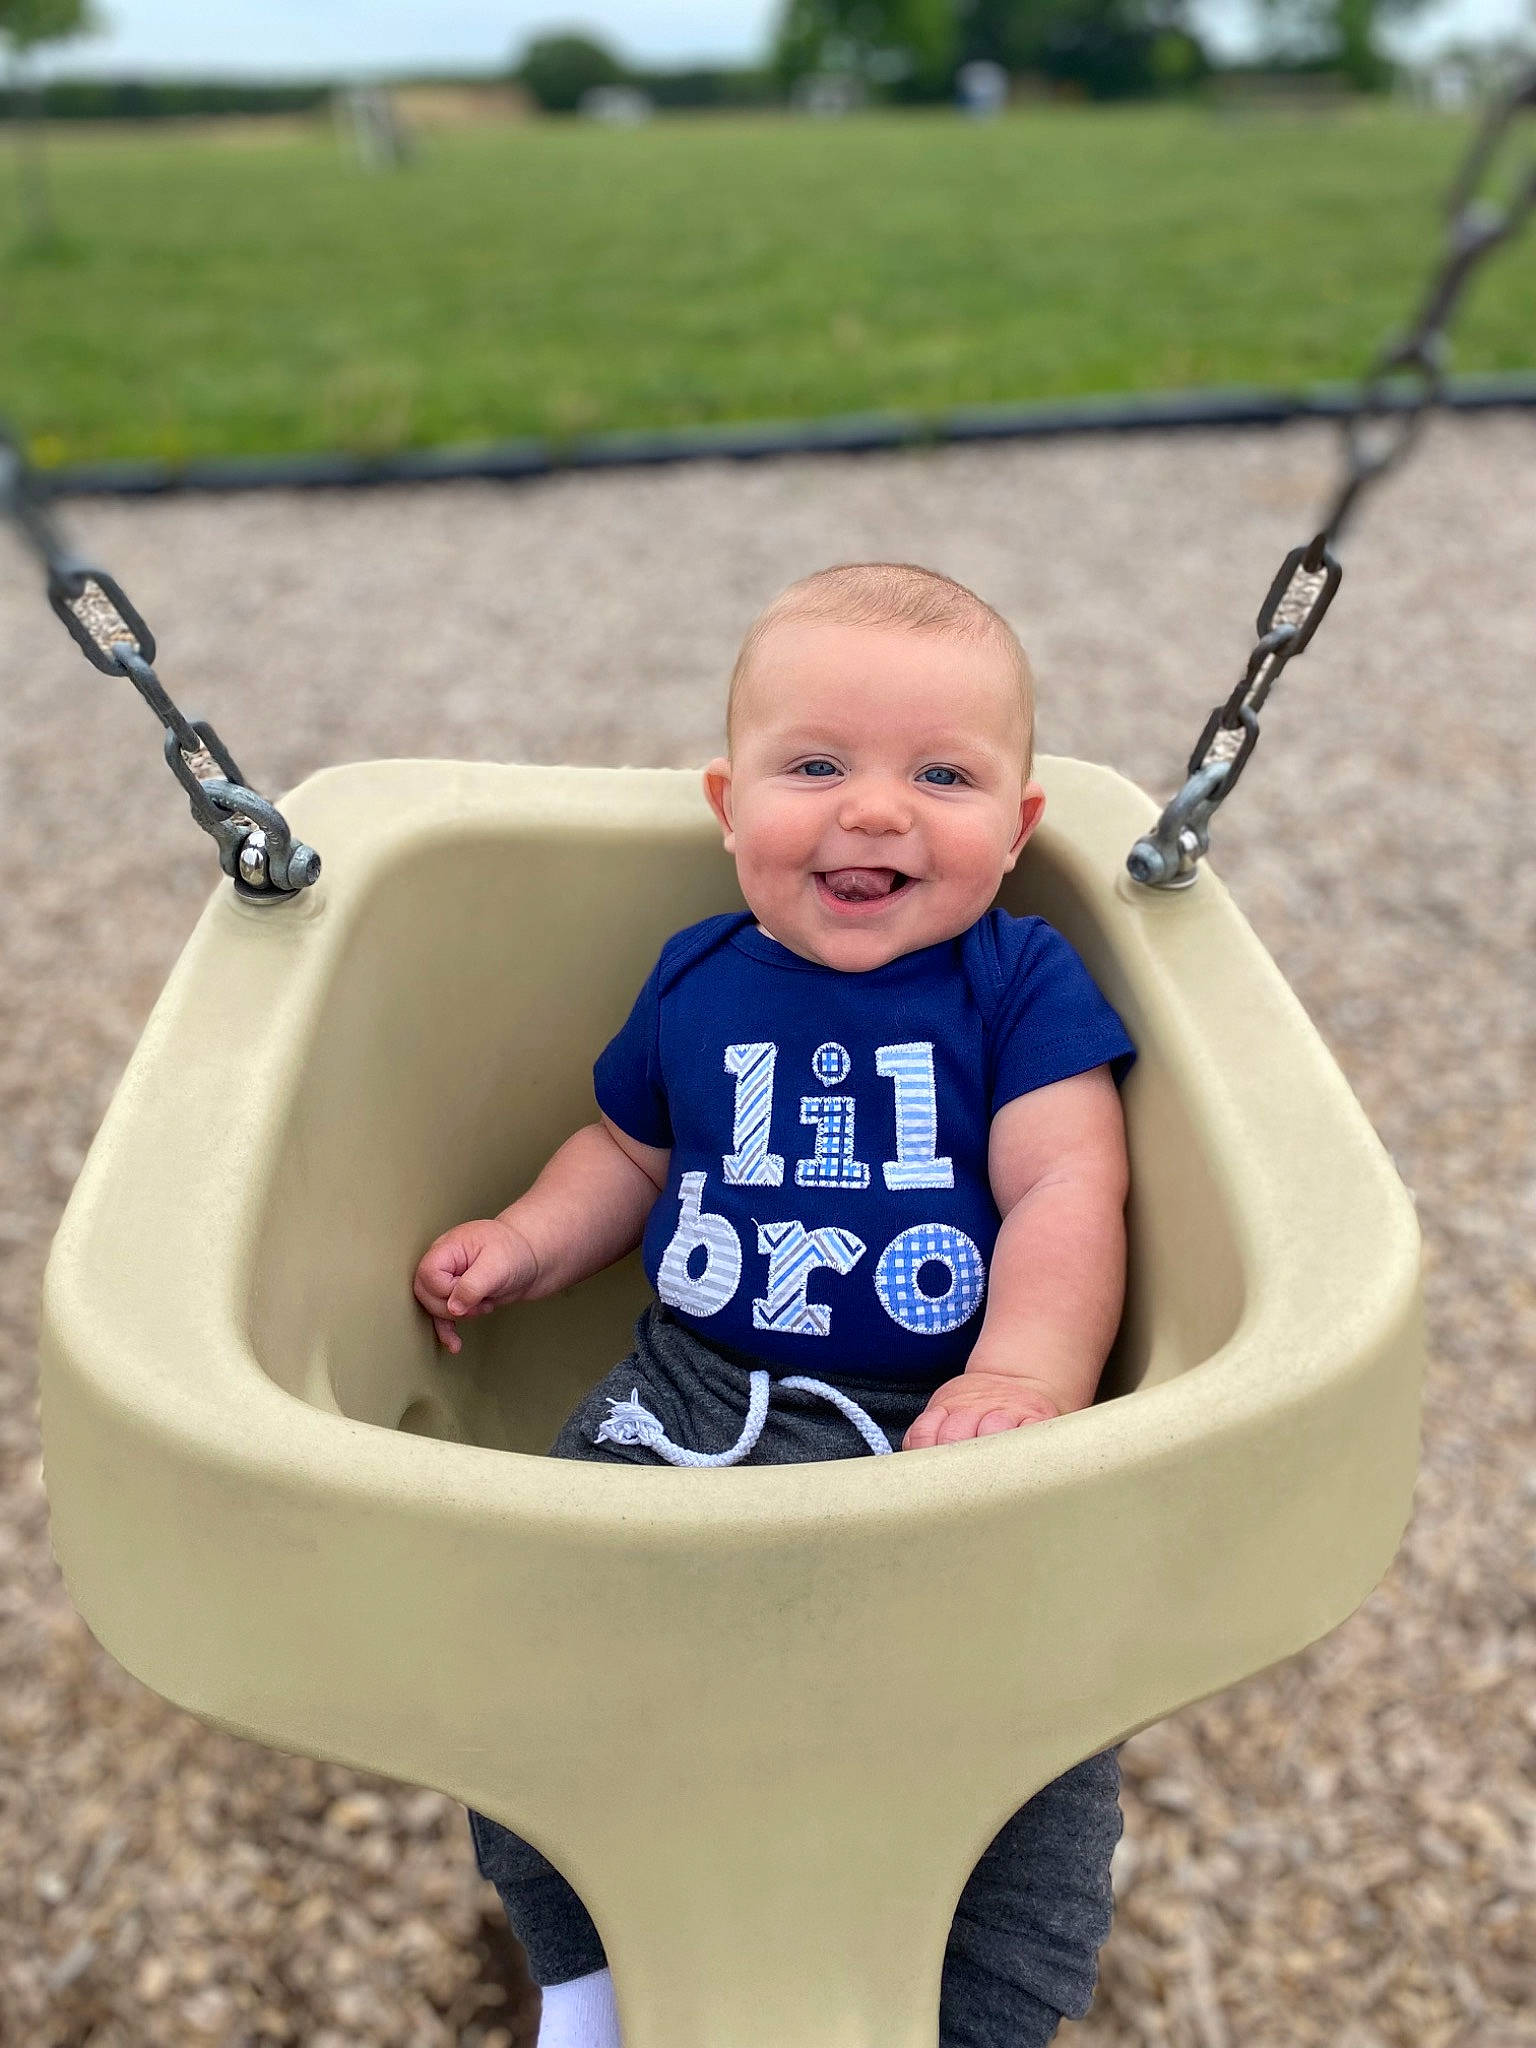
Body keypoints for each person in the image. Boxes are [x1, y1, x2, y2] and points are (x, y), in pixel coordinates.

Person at [413, 561, 1136, 2048]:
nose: (874, 810)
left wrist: (1024, 1374)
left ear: (1020, 827)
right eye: (817, 766)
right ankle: (589, 1973)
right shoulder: (698, 976)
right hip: (684, 1403)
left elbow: (1071, 1189)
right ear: (727, 801)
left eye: (943, 774)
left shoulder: (1016, 982)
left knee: (1039, 1721)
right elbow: (627, 1148)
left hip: (930, 1435)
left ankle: (980, 2007)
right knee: (526, 1648)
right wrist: (531, 1243)